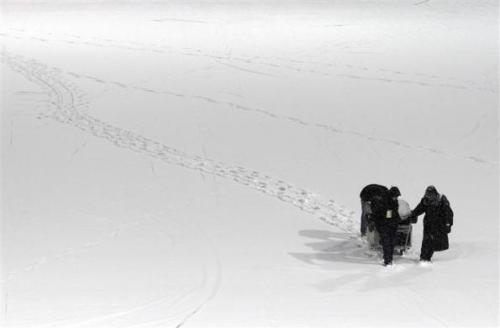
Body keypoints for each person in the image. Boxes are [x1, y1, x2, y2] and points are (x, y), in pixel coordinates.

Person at [410, 186, 454, 263]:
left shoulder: (442, 201)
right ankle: (423, 257)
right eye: (427, 194)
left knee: (433, 242)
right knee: (426, 241)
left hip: (438, 225)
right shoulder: (425, 201)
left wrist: (448, 224)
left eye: (430, 195)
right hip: (428, 224)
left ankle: (427, 257)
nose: (428, 196)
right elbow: (419, 209)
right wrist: (412, 214)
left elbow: (448, 214)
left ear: (434, 193)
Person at [372, 186, 401, 266]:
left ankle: (389, 259)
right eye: (395, 196)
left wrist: (398, 219)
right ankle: (387, 261)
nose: (396, 198)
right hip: (383, 224)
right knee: (387, 242)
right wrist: (394, 218)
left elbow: (394, 212)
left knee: (392, 242)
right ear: (392, 195)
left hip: (391, 224)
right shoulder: (384, 201)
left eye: (397, 197)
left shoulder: (394, 201)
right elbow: (387, 214)